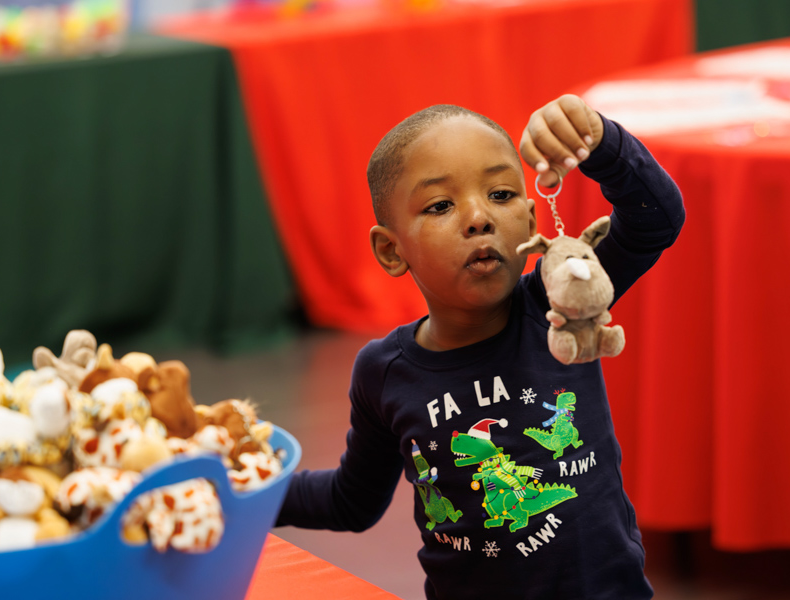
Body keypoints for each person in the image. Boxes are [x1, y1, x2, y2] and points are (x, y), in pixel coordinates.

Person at [277, 94, 685, 599]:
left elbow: (656, 219)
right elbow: (349, 501)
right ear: (390, 249)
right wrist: (239, 492)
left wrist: (598, 141)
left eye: (500, 194)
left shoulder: (559, 302)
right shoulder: (383, 372)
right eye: (441, 205)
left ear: (533, 226)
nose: (478, 217)